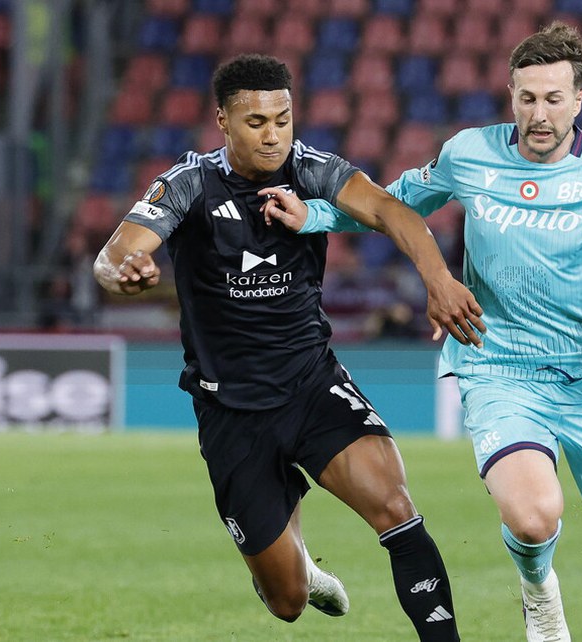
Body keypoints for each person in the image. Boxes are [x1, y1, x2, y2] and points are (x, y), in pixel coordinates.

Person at [268, 23, 582, 642]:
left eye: (554, 99)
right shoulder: (470, 153)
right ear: (511, 94)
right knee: (533, 518)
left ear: (579, 100)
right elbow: (394, 203)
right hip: (499, 369)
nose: (539, 114)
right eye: (527, 98)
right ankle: (539, 594)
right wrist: (313, 214)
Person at [92, 54, 484, 641]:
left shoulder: (314, 170)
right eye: (256, 122)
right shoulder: (189, 182)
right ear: (223, 121)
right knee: (288, 602)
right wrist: (126, 271)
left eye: (282, 119)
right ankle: (303, 568)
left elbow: (390, 211)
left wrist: (438, 280)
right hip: (230, 409)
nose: (273, 135)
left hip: (312, 385)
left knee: (396, 509)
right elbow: (114, 253)